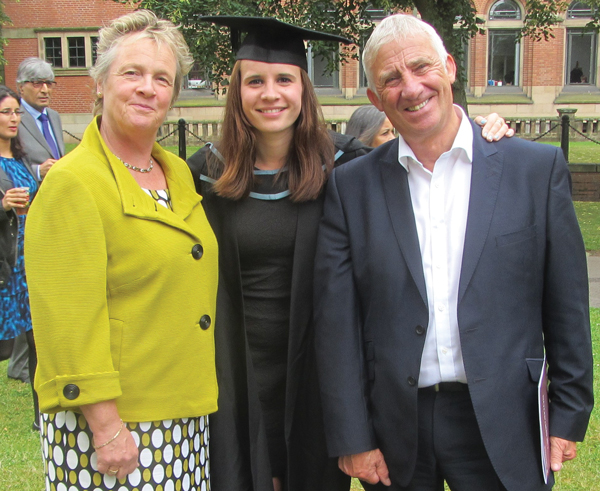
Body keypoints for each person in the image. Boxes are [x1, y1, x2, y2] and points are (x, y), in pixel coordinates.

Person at [187, 15, 512, 491]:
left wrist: (480, 130)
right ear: (236, 91)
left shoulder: (346, 166)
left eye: (284, 79)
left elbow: (428, 151)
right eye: (254, 81)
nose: (270, 93)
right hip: (235, 376)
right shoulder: (202, 175)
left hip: (322, 379)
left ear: (304, 88)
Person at [314, 13, 594, 491]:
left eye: (421, 67)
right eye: (391, 79)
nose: (411, 87)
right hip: (398, 425)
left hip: (506, 418)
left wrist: (568, 414)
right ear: (375, 100)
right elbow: (337, 323)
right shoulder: (351, 188)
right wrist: (352, 436)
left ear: (448, 67)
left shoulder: (533, 170)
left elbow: (566, 302)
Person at [25, 10, 218, 491]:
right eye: (131, 73)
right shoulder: (74, 181)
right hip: (113, 425)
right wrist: (107, 427)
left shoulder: (176, 172)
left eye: (162, 78)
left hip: (181, 412)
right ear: (100, 83)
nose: (147, 88)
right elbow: (66, 318)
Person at [8, 57, 65, 387]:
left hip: (52, 205)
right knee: (28, 284)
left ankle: (25, 359)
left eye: (50, 83)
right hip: (24, 210)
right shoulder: (13, 120)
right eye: (38, 83)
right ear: (22, 86)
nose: (45, 89)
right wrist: (35, 172)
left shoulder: (54, 117)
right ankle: (19, 362)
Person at [0, 85, 39, 428]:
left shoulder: (23, 158)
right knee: (5, 343)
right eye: (6, 112)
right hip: (5, 265)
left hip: (32, 263)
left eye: (16, 112)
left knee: (37, 339)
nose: (14, 119)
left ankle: (42, 416)